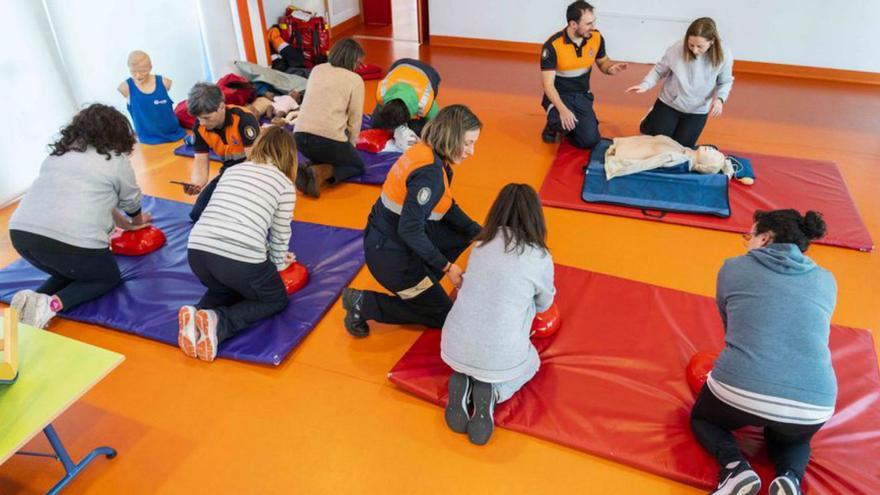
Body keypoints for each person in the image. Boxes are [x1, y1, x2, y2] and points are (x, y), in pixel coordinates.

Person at [691, 209, 837, 495]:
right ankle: (790, 479)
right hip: (814, 404)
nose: (746, 243)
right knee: (793, 439)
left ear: (765, 238)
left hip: (739, 388)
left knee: (703, 419)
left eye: (749, 235)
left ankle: (735, 469)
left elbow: (732, 327)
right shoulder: (827, 279)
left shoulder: (733, 268)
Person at [341, 105, 483, 337]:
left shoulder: (430, 154)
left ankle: (423, 286)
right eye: (467, 143)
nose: (471, 151)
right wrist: (447, 267)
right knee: (444, 316)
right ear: (449, 136)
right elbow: (409, 229)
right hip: (390, 255)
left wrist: (481, 232)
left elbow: (446, 205)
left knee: (463, 231)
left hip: (386, 236)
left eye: (474, 143)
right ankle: (363, 303)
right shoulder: (430, 174)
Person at [9, 104, 151, 329]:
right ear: (117, 132)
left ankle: (32, 301)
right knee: (106, 277)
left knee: (73, 271)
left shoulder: (59, 154)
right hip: (71, 241)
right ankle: (52, 305)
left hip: (21, 235)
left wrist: (121, 222)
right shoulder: (115, 160)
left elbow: (87, 196)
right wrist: (136, 222)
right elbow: (130, 200)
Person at [440, 183, 555, 445]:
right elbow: (545, 303)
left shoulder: (481, 245)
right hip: (499, 357)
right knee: (533, 362)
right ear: (536, 217)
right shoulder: (540, 256)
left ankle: (465, 384)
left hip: (453, 345)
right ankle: (493, 392)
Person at [179, 126, 297, 362]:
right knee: (275, 299)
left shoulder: (232, 171)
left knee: (226, 287)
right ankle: (220, 322)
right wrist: (278, 263)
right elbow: (281, 234)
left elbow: (219, 215)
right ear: (289, 156)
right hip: (237, 260)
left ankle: (196, 316)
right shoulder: (284, 185)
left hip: (197, 252)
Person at [626, 17, 734, 148]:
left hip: (697, 110)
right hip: (669, 103)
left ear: (712, 42)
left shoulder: (724, 55)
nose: (694, 50)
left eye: (700, 46)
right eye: (691, 45)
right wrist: (645, 84)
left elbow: (725, 81)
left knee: (681, 148)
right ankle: (650, 120)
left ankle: (659, 121)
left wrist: (720, 100)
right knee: (657, 145)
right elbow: (659, 70)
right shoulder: (677, 48)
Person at [540, 1, 627, 148]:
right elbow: (548, 85)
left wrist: (610, 68)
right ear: (573, 24)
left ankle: (573, 127)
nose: (593, 27)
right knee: (562, 121)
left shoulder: (596, 37)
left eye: (593, 22)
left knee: (590, 141)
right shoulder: (552, 46)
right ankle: (553, 125)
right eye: (588, 24)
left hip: (582, 95)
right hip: (559, 95)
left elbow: (603, 61)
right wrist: (563, 110)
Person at [293, 38, 366, 198]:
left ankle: (310, 167)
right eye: (359, 63)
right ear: (353, 60)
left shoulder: (317, 69)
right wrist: (351, 146)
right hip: (326, 142)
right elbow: (355, 118)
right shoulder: (355, 80)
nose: (359, 67)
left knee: (327, 151)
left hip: (299, 139)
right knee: (356, 165)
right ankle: (319, 172)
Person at [182, 82, 261, 221]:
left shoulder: (244, 119)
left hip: (253, 171)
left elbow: (255, 163)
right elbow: (200, 162)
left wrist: (234, 190)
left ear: (221, 106)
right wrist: (197, 184)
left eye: (207, 118)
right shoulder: (199, 127)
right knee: (197, 215)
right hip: (229, 171)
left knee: (243, 215)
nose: (202, 123)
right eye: (199, 118)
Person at [117, 50, 186, 144]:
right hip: (147, 143)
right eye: (133, 72)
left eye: (142, 71)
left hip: (176, 136)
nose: (138, 76)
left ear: (150, 67)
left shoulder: (164, 82)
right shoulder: (125, 88)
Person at [371, 58, 441, 136]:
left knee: (417, 130)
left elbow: (435, 123)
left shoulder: (424, 101)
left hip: (428, 73)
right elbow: (377, 118)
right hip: (400, 65)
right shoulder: (383, 93)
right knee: (376, 124)